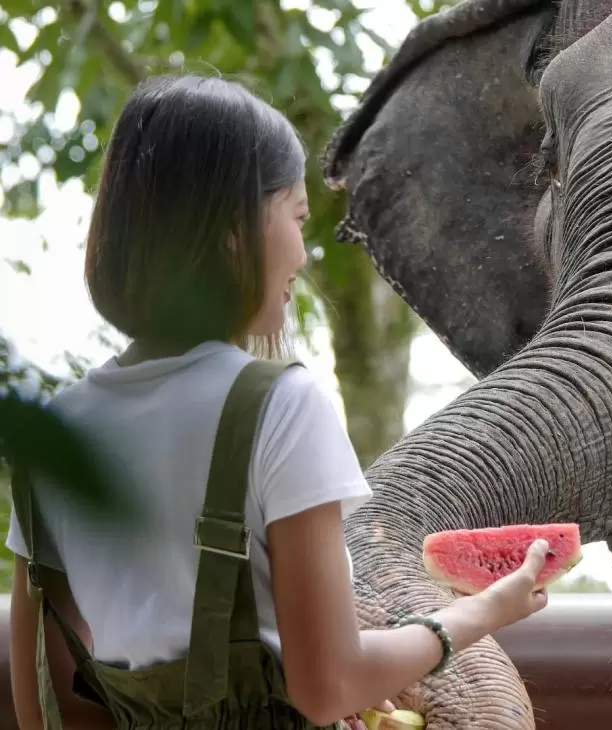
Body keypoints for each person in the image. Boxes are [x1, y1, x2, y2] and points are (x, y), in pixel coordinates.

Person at [4, 74, 551, 730]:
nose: (301, 252)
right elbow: (327, 685)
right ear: (234, 234)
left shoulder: (56, 432)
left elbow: (49, 705)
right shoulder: (278, 408)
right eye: (294, 217)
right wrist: (484, 611)